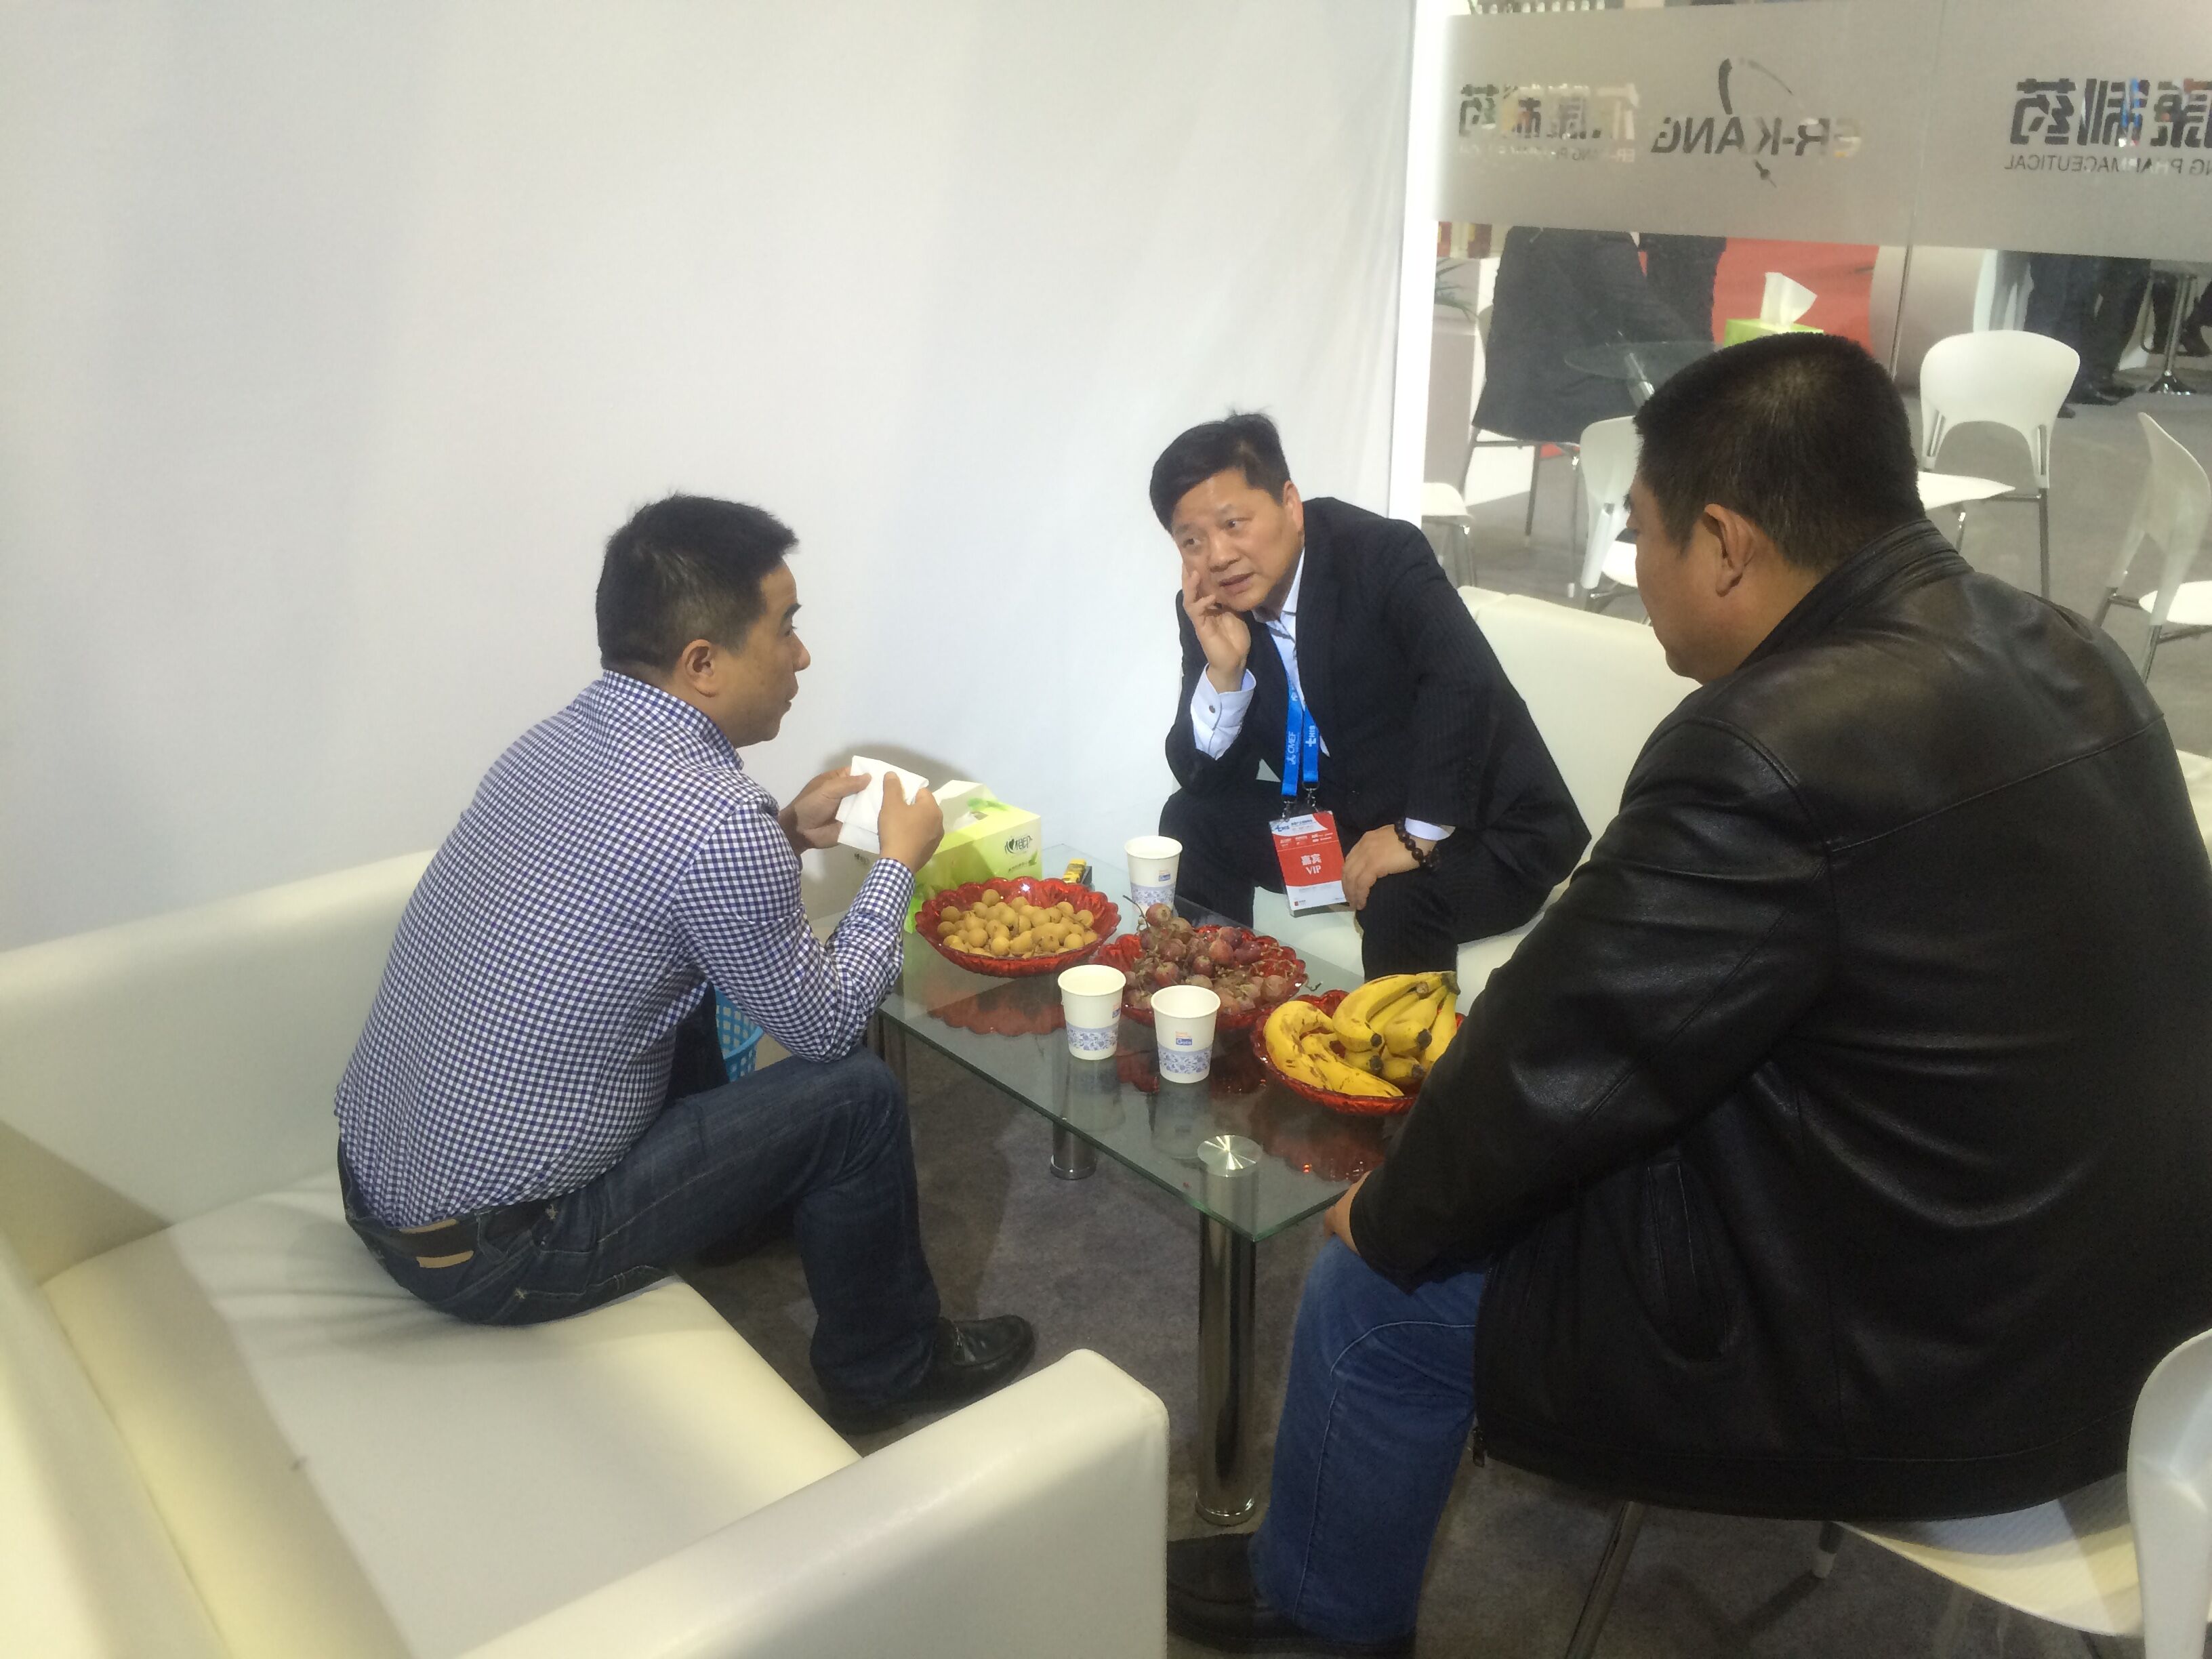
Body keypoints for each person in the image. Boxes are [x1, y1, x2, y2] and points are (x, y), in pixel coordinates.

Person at [1167, 334, 2212, 1656]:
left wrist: (1386, 1211)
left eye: (1637, 528)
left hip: (1957, 1359)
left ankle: (1318, 1614)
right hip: (2159, 1332)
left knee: (1380, 1286)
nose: (1632, 560)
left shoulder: (1766, 742)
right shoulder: (2072, 651)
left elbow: (1551, 1052)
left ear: (1722, 543)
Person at [334, 494, 1034, 1433]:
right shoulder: (712, 823)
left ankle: (737, 1213)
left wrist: (785, 834)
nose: (802, 656)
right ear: (704, 664)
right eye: (786, 628)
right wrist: (899, 863)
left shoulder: (552, 742)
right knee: (857, 1097)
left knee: (704, 974)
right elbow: (828, 1027)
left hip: (374, 1186)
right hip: (499, 1257)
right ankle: (888, 1369)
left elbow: (658, 897)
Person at [1156, 413, 1587, 979]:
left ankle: (1395, 1043)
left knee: (1396, 894)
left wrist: (1416, 835)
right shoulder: (1210, 611)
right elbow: (1201, 778)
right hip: (1348, 822)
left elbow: (1462, 678)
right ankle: (1219, 1011)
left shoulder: (1379, 552)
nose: (1216, 556)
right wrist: (1226, 673)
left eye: (1233, 523)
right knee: (1191, 819)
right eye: (1191, 541)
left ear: (1290, 504)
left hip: (1482, 833)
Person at [1473, 227, 1698, 446]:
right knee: (1684, 413)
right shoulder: (1600, 232)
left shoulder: (1524, 231)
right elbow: (1637, 308)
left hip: (1511, 395)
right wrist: (1700, 353)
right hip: (1570, 398)